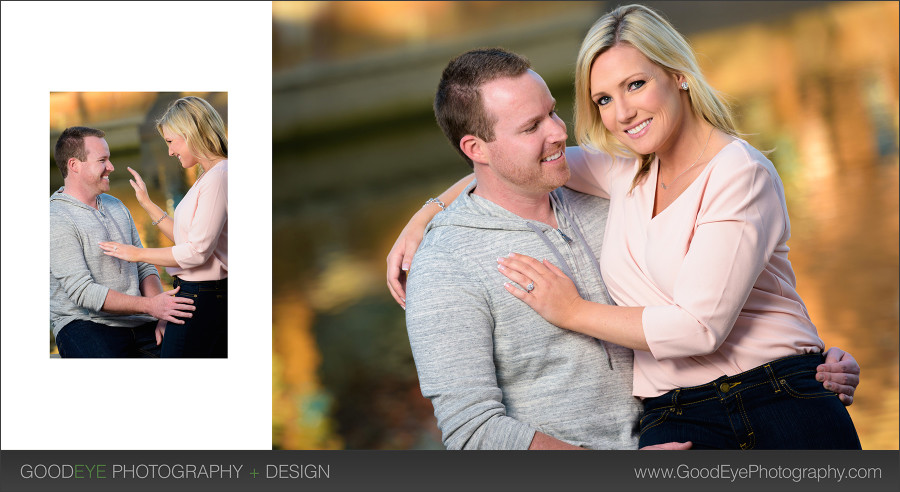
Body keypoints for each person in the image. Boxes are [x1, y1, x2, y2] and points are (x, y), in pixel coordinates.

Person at [393, 46, 860, 450]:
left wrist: (800, 360)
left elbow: (722, 285)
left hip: (691, 427)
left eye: (553, 111)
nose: (558, 133)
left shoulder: (612, 190)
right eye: (531, 126)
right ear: (477, 148)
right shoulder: (445, 264)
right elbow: (471, 431)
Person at [50, 126, 195, 358]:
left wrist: (161, 312)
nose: (111, 167)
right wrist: (151, 306)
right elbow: (83, 293)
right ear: (74, 165)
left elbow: (143, 265)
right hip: (84, 325)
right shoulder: (55, 217)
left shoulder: (116, 205)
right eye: (102, 160)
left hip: (139, 320)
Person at [100, 96, 228, 358]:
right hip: (199, 294)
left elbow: (196, 252)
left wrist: (137, 254)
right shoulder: (211, 175)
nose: (170, 151)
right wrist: (147, 204)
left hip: (202, 297)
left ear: (191, 133)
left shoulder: (219, 176)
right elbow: (188, 239)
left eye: (171, 141)